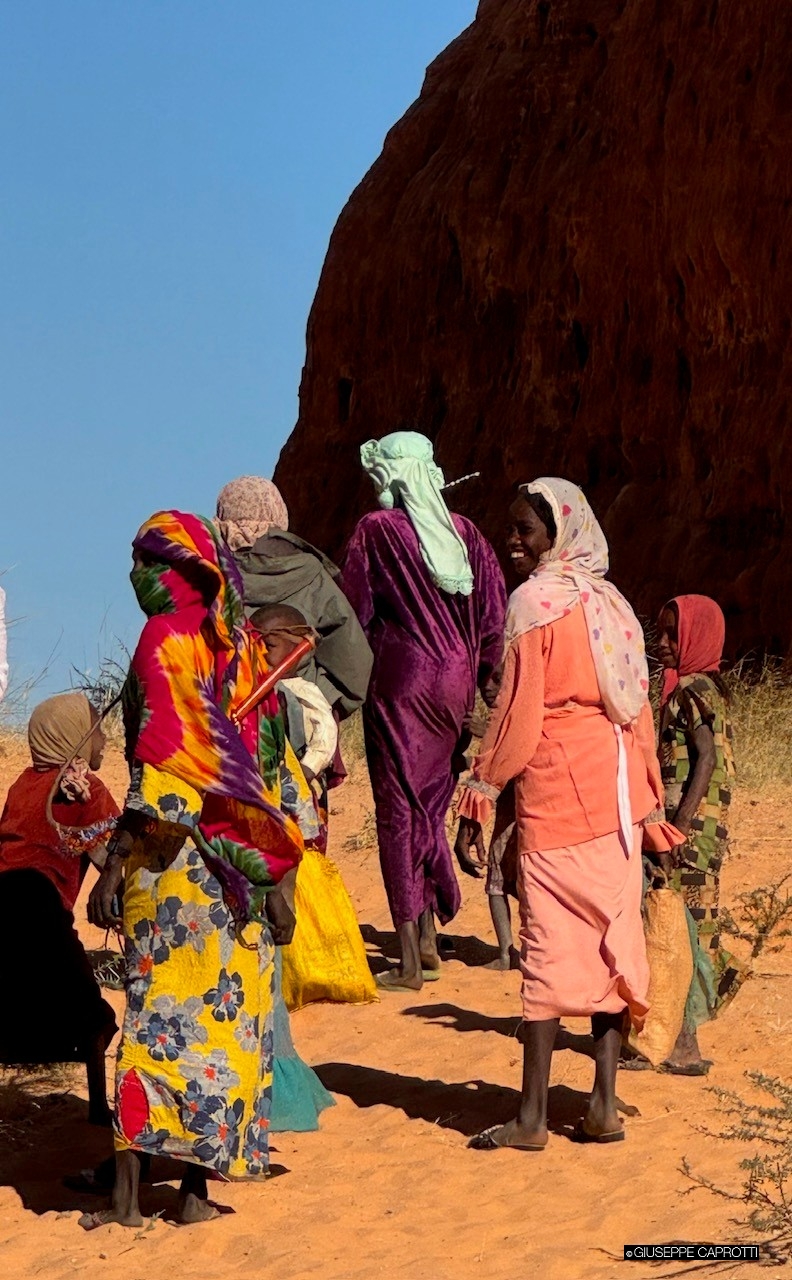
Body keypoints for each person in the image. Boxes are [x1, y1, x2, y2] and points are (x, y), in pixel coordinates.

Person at [81, 511, 307, 1230]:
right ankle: (193, 1196)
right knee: (220, 1035)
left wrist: (113, 868)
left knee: (154, 1026)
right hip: (237, 877)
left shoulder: (165, 640)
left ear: (180, 570)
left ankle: (125, 1203)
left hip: (173, 870)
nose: (135, 575)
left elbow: (165, 779)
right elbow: (275, 772)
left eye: (145, 562)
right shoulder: (242, 648)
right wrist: (275, 877)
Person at [455, 478, 663, 1150]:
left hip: (556, 792)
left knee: (545, 948)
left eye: (526, 530)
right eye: (510, 529)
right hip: (617, 797)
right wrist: (649, 803)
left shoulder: (534, 603)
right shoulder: (615, 605)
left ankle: (532, 1117)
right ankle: (602, 1106)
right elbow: (638, 710)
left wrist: (480, 792)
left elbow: (517, 713)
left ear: (558, 533)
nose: (512, 542)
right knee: (609, 942)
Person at [341, 431, 506, 991]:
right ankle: (430, 932)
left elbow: (356, 611)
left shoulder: (377, 531)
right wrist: (483, 682)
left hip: (401, 682)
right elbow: (493, 620)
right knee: (431, 803)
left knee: (398, 808)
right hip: (455, 687)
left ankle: (410, 959)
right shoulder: (468, 536)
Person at [0, 692, 118, 1124]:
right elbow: (112, 858)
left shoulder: (22, 784)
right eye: (97, 730)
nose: (104, 740)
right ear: (74, 737)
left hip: (5, 908)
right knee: (93, 1017)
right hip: (41, 914)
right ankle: (99, 1110)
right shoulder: (86, 790)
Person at [247, 603, 338, 1132]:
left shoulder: (283, 699)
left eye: (268, 643)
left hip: (273, 850)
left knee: (267, 980)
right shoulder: (264, 696)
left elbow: (291, 791)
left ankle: (273, 1095)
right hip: (273, 844)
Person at [653, 594, 746, 1075]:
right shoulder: (703, 688)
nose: (663, 643)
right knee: (690, 925)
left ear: (698, 637)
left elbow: (705, 758)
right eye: (661, 633)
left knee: (682, 931)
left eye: (674, 634)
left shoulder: (691, 690)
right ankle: (670, 1036)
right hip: (703, 831)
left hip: (689, 834)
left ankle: (684, 1044)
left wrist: (678, 827)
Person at [216, 476, 373, 739]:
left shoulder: (205, 575)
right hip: (297, 719)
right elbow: (353, 662)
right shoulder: (311, 573)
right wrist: (320, 699)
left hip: (218, 719)